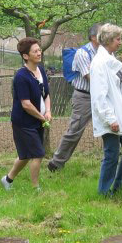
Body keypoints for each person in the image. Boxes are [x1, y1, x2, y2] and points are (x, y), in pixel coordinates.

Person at [90, 24, 122, 196]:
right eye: (118, 39)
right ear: (109, 40)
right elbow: (99, 96)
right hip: (110, 118)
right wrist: (110, 119)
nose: (120, 42)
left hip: (120, 116)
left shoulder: (111, 60)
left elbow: (121, 90)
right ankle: (104, 192)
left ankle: (119, 188)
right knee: (111, 155)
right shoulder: (99, 63)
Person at [47, 22, 101, 172]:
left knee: (111, 127)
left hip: (101, 96)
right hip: (84, 97)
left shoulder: (105, 52)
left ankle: (111, 163)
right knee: (75, 131)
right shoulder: (83, 53)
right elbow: (90, 77)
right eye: (102, 34)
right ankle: (56, 163)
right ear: (93, 37)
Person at [2, 37, 51, 191]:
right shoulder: (21, 76)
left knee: (24, 155)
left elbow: (46, 94)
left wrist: (48, 111)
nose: (39, 53)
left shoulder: (40, 70)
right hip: (23, 122)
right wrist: (42, 117)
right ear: (25, 56)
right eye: (35, 51)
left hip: (38, 120)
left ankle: (7, 179)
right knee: (38, 153)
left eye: (39, 50)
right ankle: (36, 188)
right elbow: (26, 104)